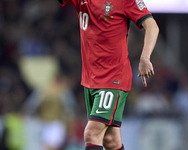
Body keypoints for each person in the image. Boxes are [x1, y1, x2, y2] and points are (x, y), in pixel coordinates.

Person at [57, 0, 159, 149]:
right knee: (110, 140)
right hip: (90, 80)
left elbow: (152, 26)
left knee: (91, 133)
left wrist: (145, 57)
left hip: (113, 78)